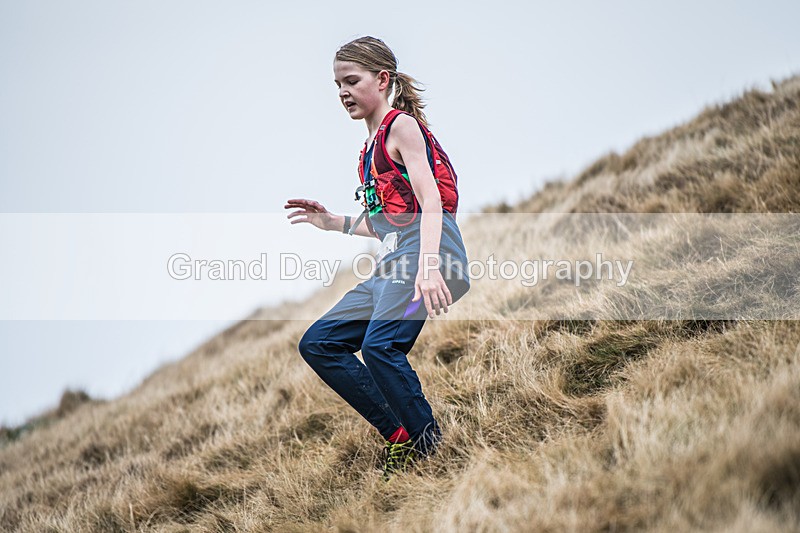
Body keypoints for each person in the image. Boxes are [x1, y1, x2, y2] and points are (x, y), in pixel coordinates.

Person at [284, 36, 470, 482]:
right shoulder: (368, 149)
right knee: (319, 343)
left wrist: (427, 268)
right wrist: (333, 223)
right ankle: (402, 435)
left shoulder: (400, 126)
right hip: (394, 262)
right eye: (337, 85)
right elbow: (385, 220)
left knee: (380, 347)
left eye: (352, 81)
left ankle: (430, 449)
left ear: (382, 79)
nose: (343, 92)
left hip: (430, 254)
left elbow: (431, 202)